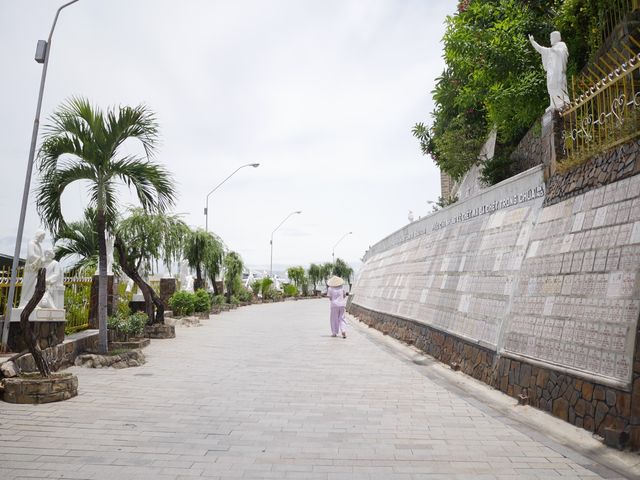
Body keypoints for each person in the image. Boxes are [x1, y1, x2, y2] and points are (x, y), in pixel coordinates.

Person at [529, 31, 569, 110]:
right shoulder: (550, 50)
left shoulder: (561, 45)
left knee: (559, 85)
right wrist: (533, 42)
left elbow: (563, 54)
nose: (550, 39)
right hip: (551, 74)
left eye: (551, 38)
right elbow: (540, 49)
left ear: (556, 37)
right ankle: (554, 103)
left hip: (558, 72)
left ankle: (563, 102)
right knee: (551, 87)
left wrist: (554, 51)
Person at [18, 230, 46, 308]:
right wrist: (40, 258)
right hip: (31, 268)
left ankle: (31, 303)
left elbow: (42, 256)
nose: (43, 239)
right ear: (39, 235)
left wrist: (42, 259)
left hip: (37, 269)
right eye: (42, 237)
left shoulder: (39, 246)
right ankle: (24, 302)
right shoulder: (31, 243)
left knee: (34, 285)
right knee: (28, 285)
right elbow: (31, 256)